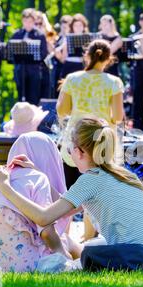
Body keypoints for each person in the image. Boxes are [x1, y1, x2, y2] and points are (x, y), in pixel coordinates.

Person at [0, 117, 143, 268]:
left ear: (79, 152)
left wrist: (4, 187)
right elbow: (64, 205)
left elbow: (44, 217)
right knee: (92, 246)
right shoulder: (120, 174)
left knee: (90, 254)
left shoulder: (90, 180)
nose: (69, 153)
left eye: (70, 148)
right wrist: (40, 175)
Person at [0, 132, 73, 272]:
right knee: (66, 243)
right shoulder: (37, 179)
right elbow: (46, 232)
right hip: (29, 265)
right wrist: (62, 254)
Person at [56, 39, 124, 187]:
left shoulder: (73, 79)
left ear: (87, 55)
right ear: (108, 59)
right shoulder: (114, 82)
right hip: (102, 144)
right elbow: (118, 117)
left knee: (70, 195)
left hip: (75, 142)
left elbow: (62, 110)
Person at [10, 8, 48, 105]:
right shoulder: (17, 34)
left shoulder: (40, 35)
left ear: (34, 21)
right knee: (20, 98)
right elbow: (10, 53)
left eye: (30, 21)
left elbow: (43, 54)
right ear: (22, 21)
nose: (28, 23)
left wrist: (30, 45)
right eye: (25, 21)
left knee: (33, 98)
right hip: (20, 71)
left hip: (34, 71)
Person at [59, 14, 89, 79]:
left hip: (83, 67)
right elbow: (63, 58)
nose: (78, 28)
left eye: (80, 25)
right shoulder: (67, 38)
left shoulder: (88, 38)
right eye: (75, 25)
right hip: (69, 66)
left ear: (84, 27)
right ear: (72, 27)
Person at [51, 15, 73, 97]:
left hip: (67, 69)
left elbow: (62, 59)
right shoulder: (59, 38)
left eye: (66, 27)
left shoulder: (70, 39)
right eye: (63, 27)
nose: (64, 29)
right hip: (57, 69)